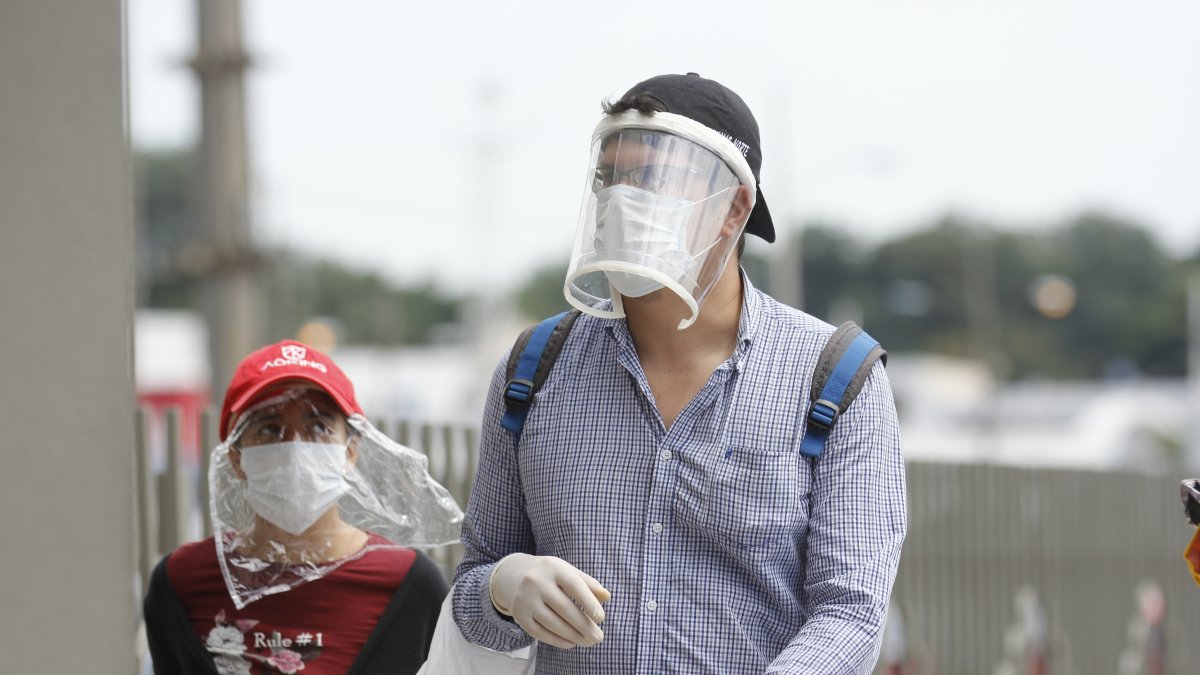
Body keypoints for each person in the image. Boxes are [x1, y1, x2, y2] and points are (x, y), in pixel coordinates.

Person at [452, 72, 907, 674]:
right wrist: (501, 589)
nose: (620, 199)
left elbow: (851, 613)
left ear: (734, 208)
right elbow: (473, 593)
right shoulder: (534, 370)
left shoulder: (837, 379)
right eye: (608, 177)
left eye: (650, 178)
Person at [144, 340, 463, 674]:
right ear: (237, 459)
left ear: (349, 451)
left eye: (318, 427)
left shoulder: (410, 586)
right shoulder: (182, 582)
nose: (295, 447)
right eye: (269, 429)